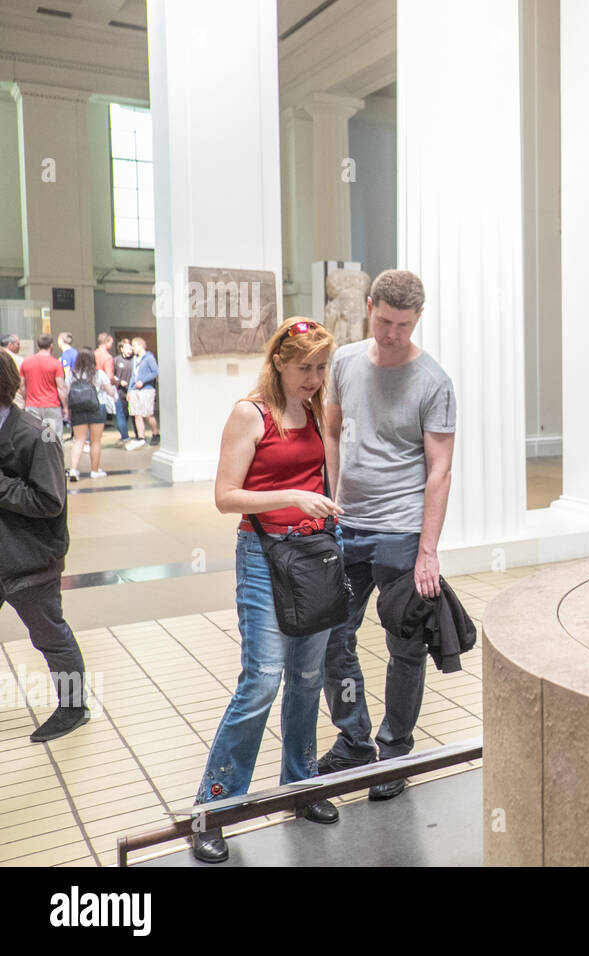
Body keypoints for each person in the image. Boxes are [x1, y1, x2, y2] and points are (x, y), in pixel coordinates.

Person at [191, 317, 343, 864]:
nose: (314, 377)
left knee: (307, 678)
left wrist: (325, 512)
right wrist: (292, 498)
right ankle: (214, 807)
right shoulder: (248, 414)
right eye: (305, 367)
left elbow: (326, 478)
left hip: (315, 554)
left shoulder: (318, 411)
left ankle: (300, 788)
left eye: (322, 367)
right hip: (263, 557)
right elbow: (226, 497)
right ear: (279, 361)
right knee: (261, 680)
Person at [318, 269, 456, 801]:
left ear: (417, 318)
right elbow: (331, 431)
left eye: (403, 324)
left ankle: (395, 750)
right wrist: (331, 502)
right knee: (333, 635)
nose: (392, 332)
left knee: (405, 646)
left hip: (401, 532)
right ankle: (353, 738)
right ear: (370, 306)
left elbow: (439, 471)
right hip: (348, 526)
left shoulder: (433, 381)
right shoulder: (347, 362)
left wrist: (428, 550)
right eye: (383, 320)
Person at [0, 351, 91, 743]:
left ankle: (74, 708)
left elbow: (49, 500)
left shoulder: (39, 434)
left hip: (29, 561)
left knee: (50, 637)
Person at [65, 348, 109, 481]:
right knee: (95, 441)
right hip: (96, 408)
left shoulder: (72, 374)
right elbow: (110, 390)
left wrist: (66, 409)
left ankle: (73, 469)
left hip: (78, 409)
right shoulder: (98, 374)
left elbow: (67, 393)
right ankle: (94, 471)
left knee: (79, 440)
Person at [17, 333, 66, 444]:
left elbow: (21, 385)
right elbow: (61, 388)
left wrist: (26, 400)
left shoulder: (26, 363)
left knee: (33, 436)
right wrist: (65, 406)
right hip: (51, 405)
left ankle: (36, 460)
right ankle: (55, 461)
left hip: (32, 405)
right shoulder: (56, 363)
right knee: (53, 438)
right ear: (51, 345)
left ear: (38, 345)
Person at [125, 336, 158, 450]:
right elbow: (132, 377)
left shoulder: (149, 358)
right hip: (135, 390)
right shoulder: (134, 360)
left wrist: (143, 381)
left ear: (140, 345)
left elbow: (155, 372)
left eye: (134, 346)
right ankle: (141, 437)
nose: (133, 348)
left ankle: (155, 433)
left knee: (148, 414)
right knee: (137, 414)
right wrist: (129, 390)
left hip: (146, 389)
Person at [112, 339, 134, 443]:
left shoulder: (135, 360)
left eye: (131, 348)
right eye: (127, 348)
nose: (130, 350)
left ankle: (138, 436)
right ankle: (124, 436)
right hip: (121, 392)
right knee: (123, 415)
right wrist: (120, 382)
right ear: (121, 349)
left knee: (135, 415)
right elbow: (112, 375)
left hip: (133, 392)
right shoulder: (116, 360)